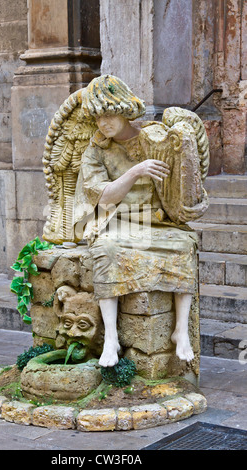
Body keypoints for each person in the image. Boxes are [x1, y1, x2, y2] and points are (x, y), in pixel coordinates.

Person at [73, 75, 207, 367]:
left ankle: (180, 333)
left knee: (184, 246)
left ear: (124, 110)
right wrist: (135, 171)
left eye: (109, 114)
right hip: (119, 222)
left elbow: (181, 178)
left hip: (159, 223)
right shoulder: (95, 151)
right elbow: (104, 197)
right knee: (105, 250)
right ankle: (111, 338)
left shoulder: (156, 136)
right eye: (97, 117)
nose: (103, 123)